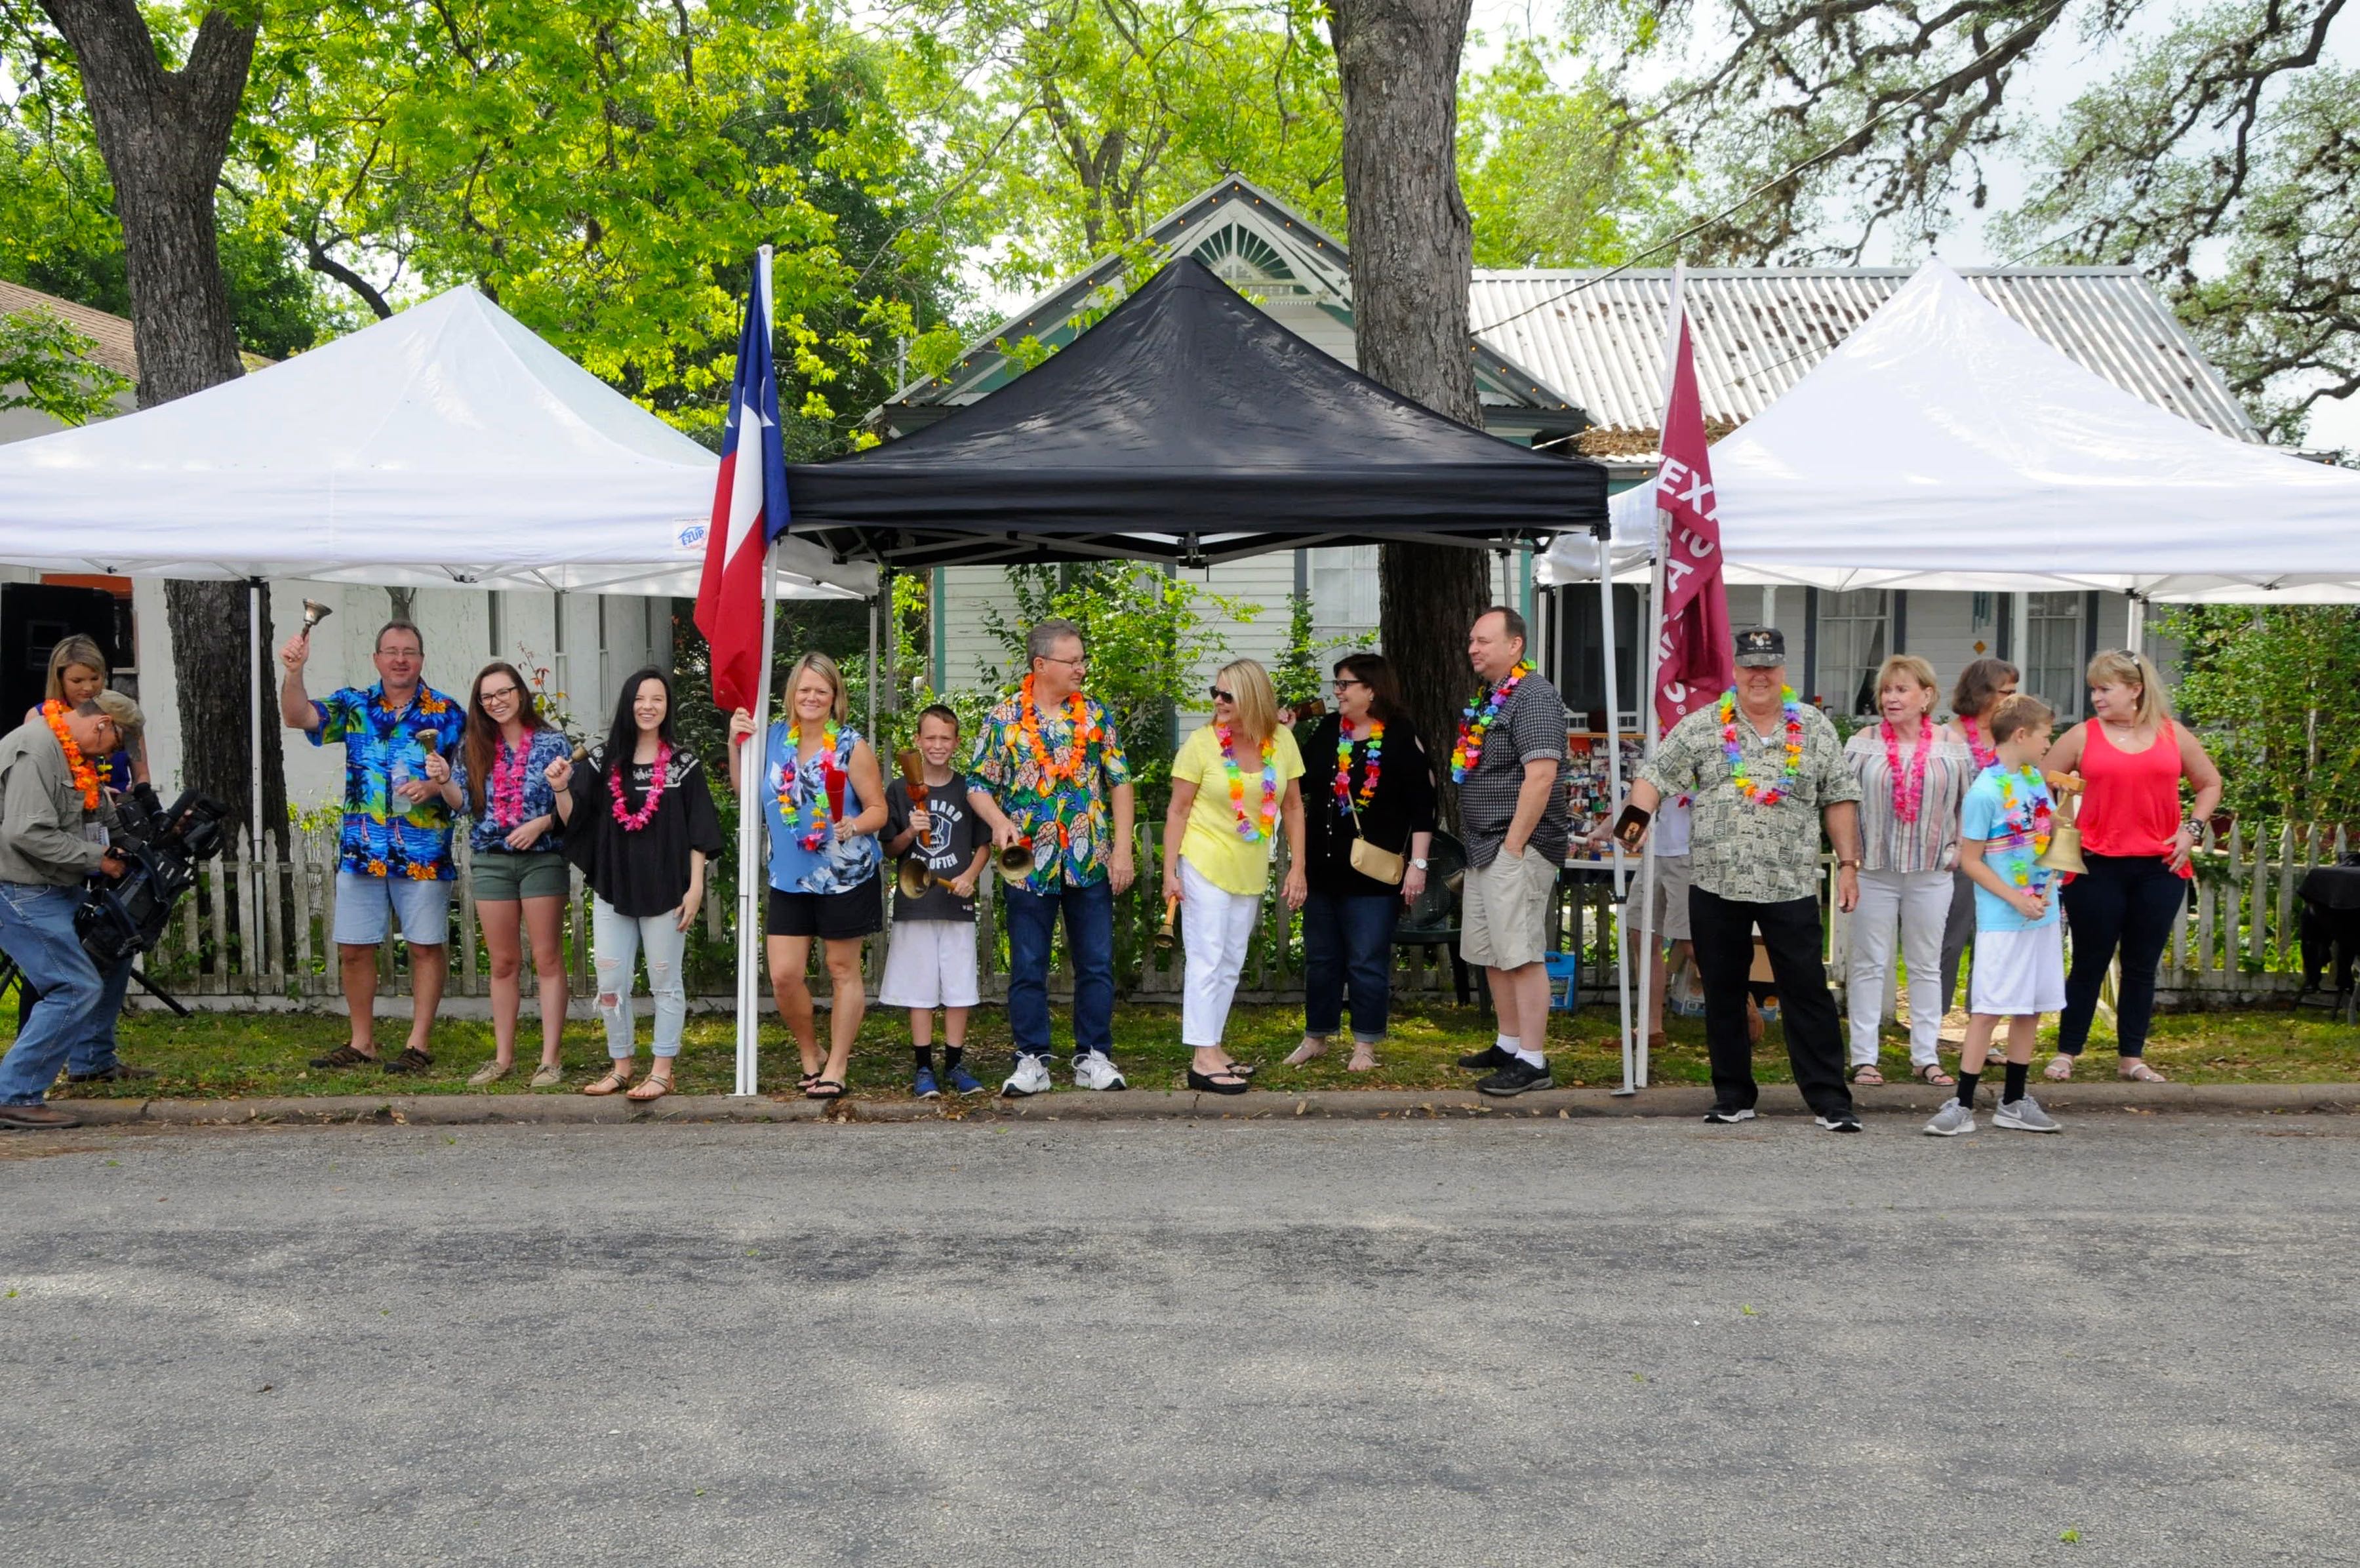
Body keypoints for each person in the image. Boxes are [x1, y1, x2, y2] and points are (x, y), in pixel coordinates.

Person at [1621, 627, 1867, 1131]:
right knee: (1723, 990)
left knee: (1807, 989)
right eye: (1751, 666)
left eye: (1768, 666)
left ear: (1782, 671)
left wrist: (1848, 865)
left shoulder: (1814, 727)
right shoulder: (1703, 725)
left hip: (1789, 882)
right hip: (1716, 880)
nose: (1759, 676)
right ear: (1735, 670)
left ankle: (1829, 1100)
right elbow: (1654, 775)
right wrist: (1632, 826)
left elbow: (1839, 797)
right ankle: (1732, 1094)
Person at [280, 619, 465, 1074]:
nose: (400, 659)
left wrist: (433, 786)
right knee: (354, 948)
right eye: (391, 651)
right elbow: (298, 716)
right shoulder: (354, 705)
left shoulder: (448, 712)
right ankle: (362, 1042)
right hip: (362, 850)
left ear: (421, 659)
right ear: (376, 658)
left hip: (422, 851)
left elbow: (466, 780)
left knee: (425, 946)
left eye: (409, 651)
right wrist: (294, 672)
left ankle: (418, 1043)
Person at [967, 618, 1137, 1097]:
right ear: (1041, 664)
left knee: (1096, 964)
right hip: (1028, 864)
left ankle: (1093, 1057)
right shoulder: (1004, 718)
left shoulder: (1096, 716)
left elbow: (1121, 782)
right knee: (1027, 966)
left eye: (1083, 660)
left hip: (1090, 860)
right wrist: (999, 821)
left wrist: (1122, 849)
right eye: (1072, 660)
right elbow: (978, 784)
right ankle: (1032, 1060)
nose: (1081, 668)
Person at [2039, 649, 2223, 1083]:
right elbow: (2041, 778)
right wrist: (2063, 818)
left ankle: (2131, 1058)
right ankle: (2067, 1052)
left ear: (2135, 689)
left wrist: (2191, 829)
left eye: (2105, 689)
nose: (2096, 698)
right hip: (2096, 865)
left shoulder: (2172, 733)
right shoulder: (2083, 735)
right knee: (2089, 961)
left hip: (2160, 867)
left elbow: (2209, 783)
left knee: (2141, 965)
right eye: (2093, 690)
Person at [557, 668, 721, 1102]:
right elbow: (574, 818)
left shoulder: (683, 763)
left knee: (665, 981)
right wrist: (559, 788)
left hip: (667, 890)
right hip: (614, 886)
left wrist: (695, 888)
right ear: (628, 704)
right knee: (610, 982)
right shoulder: (602, 760)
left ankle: (663, 1071)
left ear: (667, 707)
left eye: (657, 699)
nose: (648, 707)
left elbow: (700, 830)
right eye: (640, 699)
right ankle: (621, 1066)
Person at [731, 653, 887, 1102]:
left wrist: (853, 825)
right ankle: (810, 1053)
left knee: (841, 969)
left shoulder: (851, 746)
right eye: (804, 689)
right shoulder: (773, 739)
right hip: (788, 877)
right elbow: (746, 795)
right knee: (784, 975)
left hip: (845, 875)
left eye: (821, 690)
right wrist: (734, 743)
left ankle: (837, 1065)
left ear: (835, 697)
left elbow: (879, 810)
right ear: (792, 694)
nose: (812, 697)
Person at [1162, 659, 1308, 1093]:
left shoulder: (1281, 741)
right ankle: (1202, 1058)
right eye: (1216, 692)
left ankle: (1214, 1044)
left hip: (1249, 865)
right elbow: (1177, 810)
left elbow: (1293, 807)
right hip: (1204, 860)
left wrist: (1298, 866)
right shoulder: (1201, 744)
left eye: (1228, 695)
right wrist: (1170, 871)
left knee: (1230, 961)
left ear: (1252, 697)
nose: (1218, 701)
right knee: (1207, 957)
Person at [1926, 694, 2067, 1135]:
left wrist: (2063, 822)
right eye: (2045, 735)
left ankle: (2013, 1101)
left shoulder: (2035, 780)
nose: (2049, 743)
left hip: (2042, 912)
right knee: (1988, 1010)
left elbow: (2045, 834)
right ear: (2021, 735)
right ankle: (1962, 1103)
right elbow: (1971, 861)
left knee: (2030, 1008)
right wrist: (2015, 898)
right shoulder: (1985, 792)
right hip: (2004, 919)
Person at [1288, 653, 1435, 1074]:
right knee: (1321, 960)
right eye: (1337, 684)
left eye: (1345, 684)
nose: (1337, 692)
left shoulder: (1400, 735)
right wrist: (1288, 737)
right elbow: (1301, 782)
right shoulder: (1330, 730)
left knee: (1367, 961)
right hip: (1323, 869)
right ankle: (1316, 1037)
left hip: (1371, 875)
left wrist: (1418, 865)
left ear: (1371, 690)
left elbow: (1424, 806)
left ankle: (1365, 1044)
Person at [0, 694, 141, 1127]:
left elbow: (99, 820)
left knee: (113, 944)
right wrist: (98, 859)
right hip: (17, 887)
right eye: (117, 743)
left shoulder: (74, 754)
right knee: (73, 985)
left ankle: (92, 1061)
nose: (115, 754)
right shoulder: (37, 749)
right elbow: (26, 833)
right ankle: (14, 1095)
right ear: (102, 723)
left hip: (53, 883)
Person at [1448, 606, 1571, 1097]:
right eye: (1471, 641)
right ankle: (1509, 1044)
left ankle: (1534, 1061)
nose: (1472, 649)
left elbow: (1541, 776)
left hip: (1515, 845)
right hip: (1485, 845)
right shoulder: (1492, 696)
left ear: (1515, 645)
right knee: (1493, 952)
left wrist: (1514, 845)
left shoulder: (1534, 696)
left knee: (1519, 953)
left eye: (1483, 640)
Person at [1843, 655, 1976, 1087]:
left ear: (1926, 696)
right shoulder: (1862, 743)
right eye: (1886, 690)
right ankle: (1864, 1057)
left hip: (1931, 871)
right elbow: (1842, 802)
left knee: (1925, 963)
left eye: (1902, 689)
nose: (1891, 698)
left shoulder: (1951, 745)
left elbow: (1969, 803)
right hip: (1874, 869)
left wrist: (1958, 849)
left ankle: (1926, 1056)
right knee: (1868, 963)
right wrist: (1848, 859)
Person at [452, 661, 574, 1088]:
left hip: (543, 858)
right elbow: (460, 802)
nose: (496, 701)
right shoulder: (472, 745)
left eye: (503, 692)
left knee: (547, 957)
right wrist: (441, 781)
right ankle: (502, 1058)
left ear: (520, 693)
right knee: (503, 962)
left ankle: (550, 1060)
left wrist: (542, 823)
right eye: (487, 696)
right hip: (491, 860)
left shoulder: (552, 742)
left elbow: (572, 809)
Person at [881, 704, 990, 1098]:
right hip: (917, 906)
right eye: (930, 738)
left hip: (956, 907)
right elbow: (890, 849)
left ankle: (956, 1065)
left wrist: (969, 877)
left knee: (960, 989)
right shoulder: (899, 790)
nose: (938, 745)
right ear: (918, 741)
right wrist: (911, 831)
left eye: (946, 738)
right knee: (920, 991)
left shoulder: (969, 789)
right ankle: (924, 1068)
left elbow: (983, 844)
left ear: (957, 743)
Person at [1936, 658, 2020, 1016]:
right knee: (1950, 939)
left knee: (1992, 940)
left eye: (2015, 692)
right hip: (1960, 851)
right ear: (1981, 692)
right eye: (2006, 692)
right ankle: (1933, 1020)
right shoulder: (1949, 736)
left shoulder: (2012, 735)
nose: (2013, 699)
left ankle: (1982, 1017)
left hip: (2002, 853)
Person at [25, 634, 146, 787]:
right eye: (77, 681)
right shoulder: (39, 717)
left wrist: (137, 795)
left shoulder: (122, 713)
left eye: (95, 679)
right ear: (60, 680)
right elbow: (34, 778)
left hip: (118, 800)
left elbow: (142, 775)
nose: (88, 688)